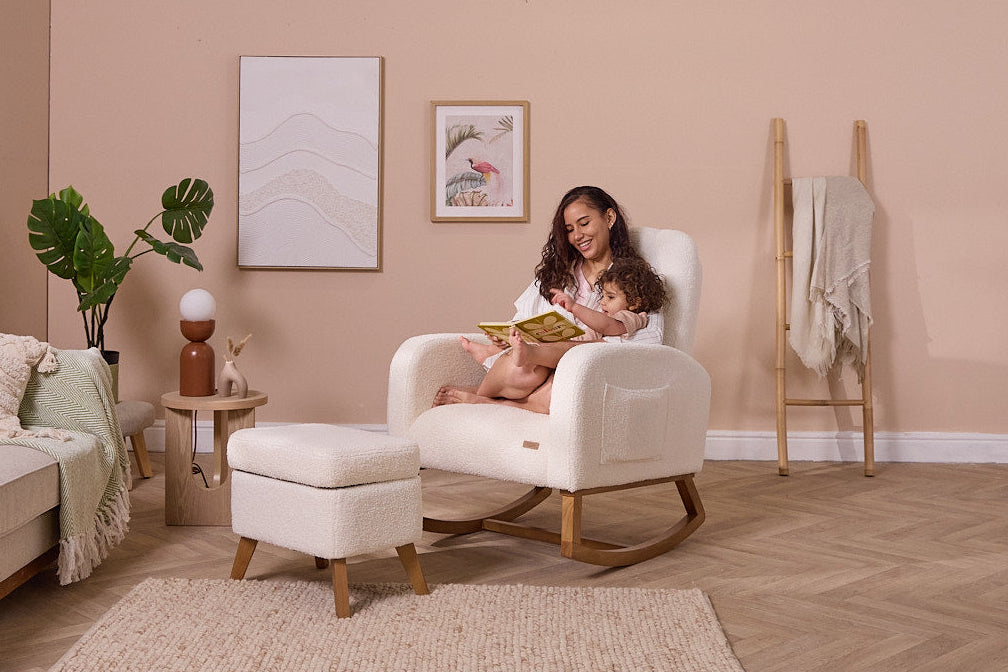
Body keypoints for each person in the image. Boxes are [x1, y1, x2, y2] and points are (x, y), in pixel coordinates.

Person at [434, 185, 664, 413]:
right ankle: (491, 368)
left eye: (584, 223)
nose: (577, 236)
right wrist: (508, 337)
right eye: (570, 229)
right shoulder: (557, 274)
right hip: (537, 363)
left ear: (610, 218)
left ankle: (484, 400)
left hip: (581, 368)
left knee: (565, 392)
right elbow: (523, 319)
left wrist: (586, 347)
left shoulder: (633, 277)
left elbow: (649, 339)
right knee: (521, 367)